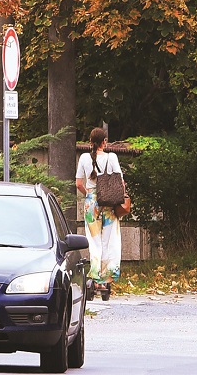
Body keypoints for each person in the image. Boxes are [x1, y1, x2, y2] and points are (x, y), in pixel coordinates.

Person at [74, 126, 130, 300]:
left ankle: (95, 278)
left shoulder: (83, 158)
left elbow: (78, 183)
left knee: (94, 243)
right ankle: (106, 280)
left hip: (91, 205)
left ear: (90, 142)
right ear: (104, 141)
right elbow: (120, 182)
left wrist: (89, 194)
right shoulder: (111, 157)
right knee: (108, 241)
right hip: (108, 205)